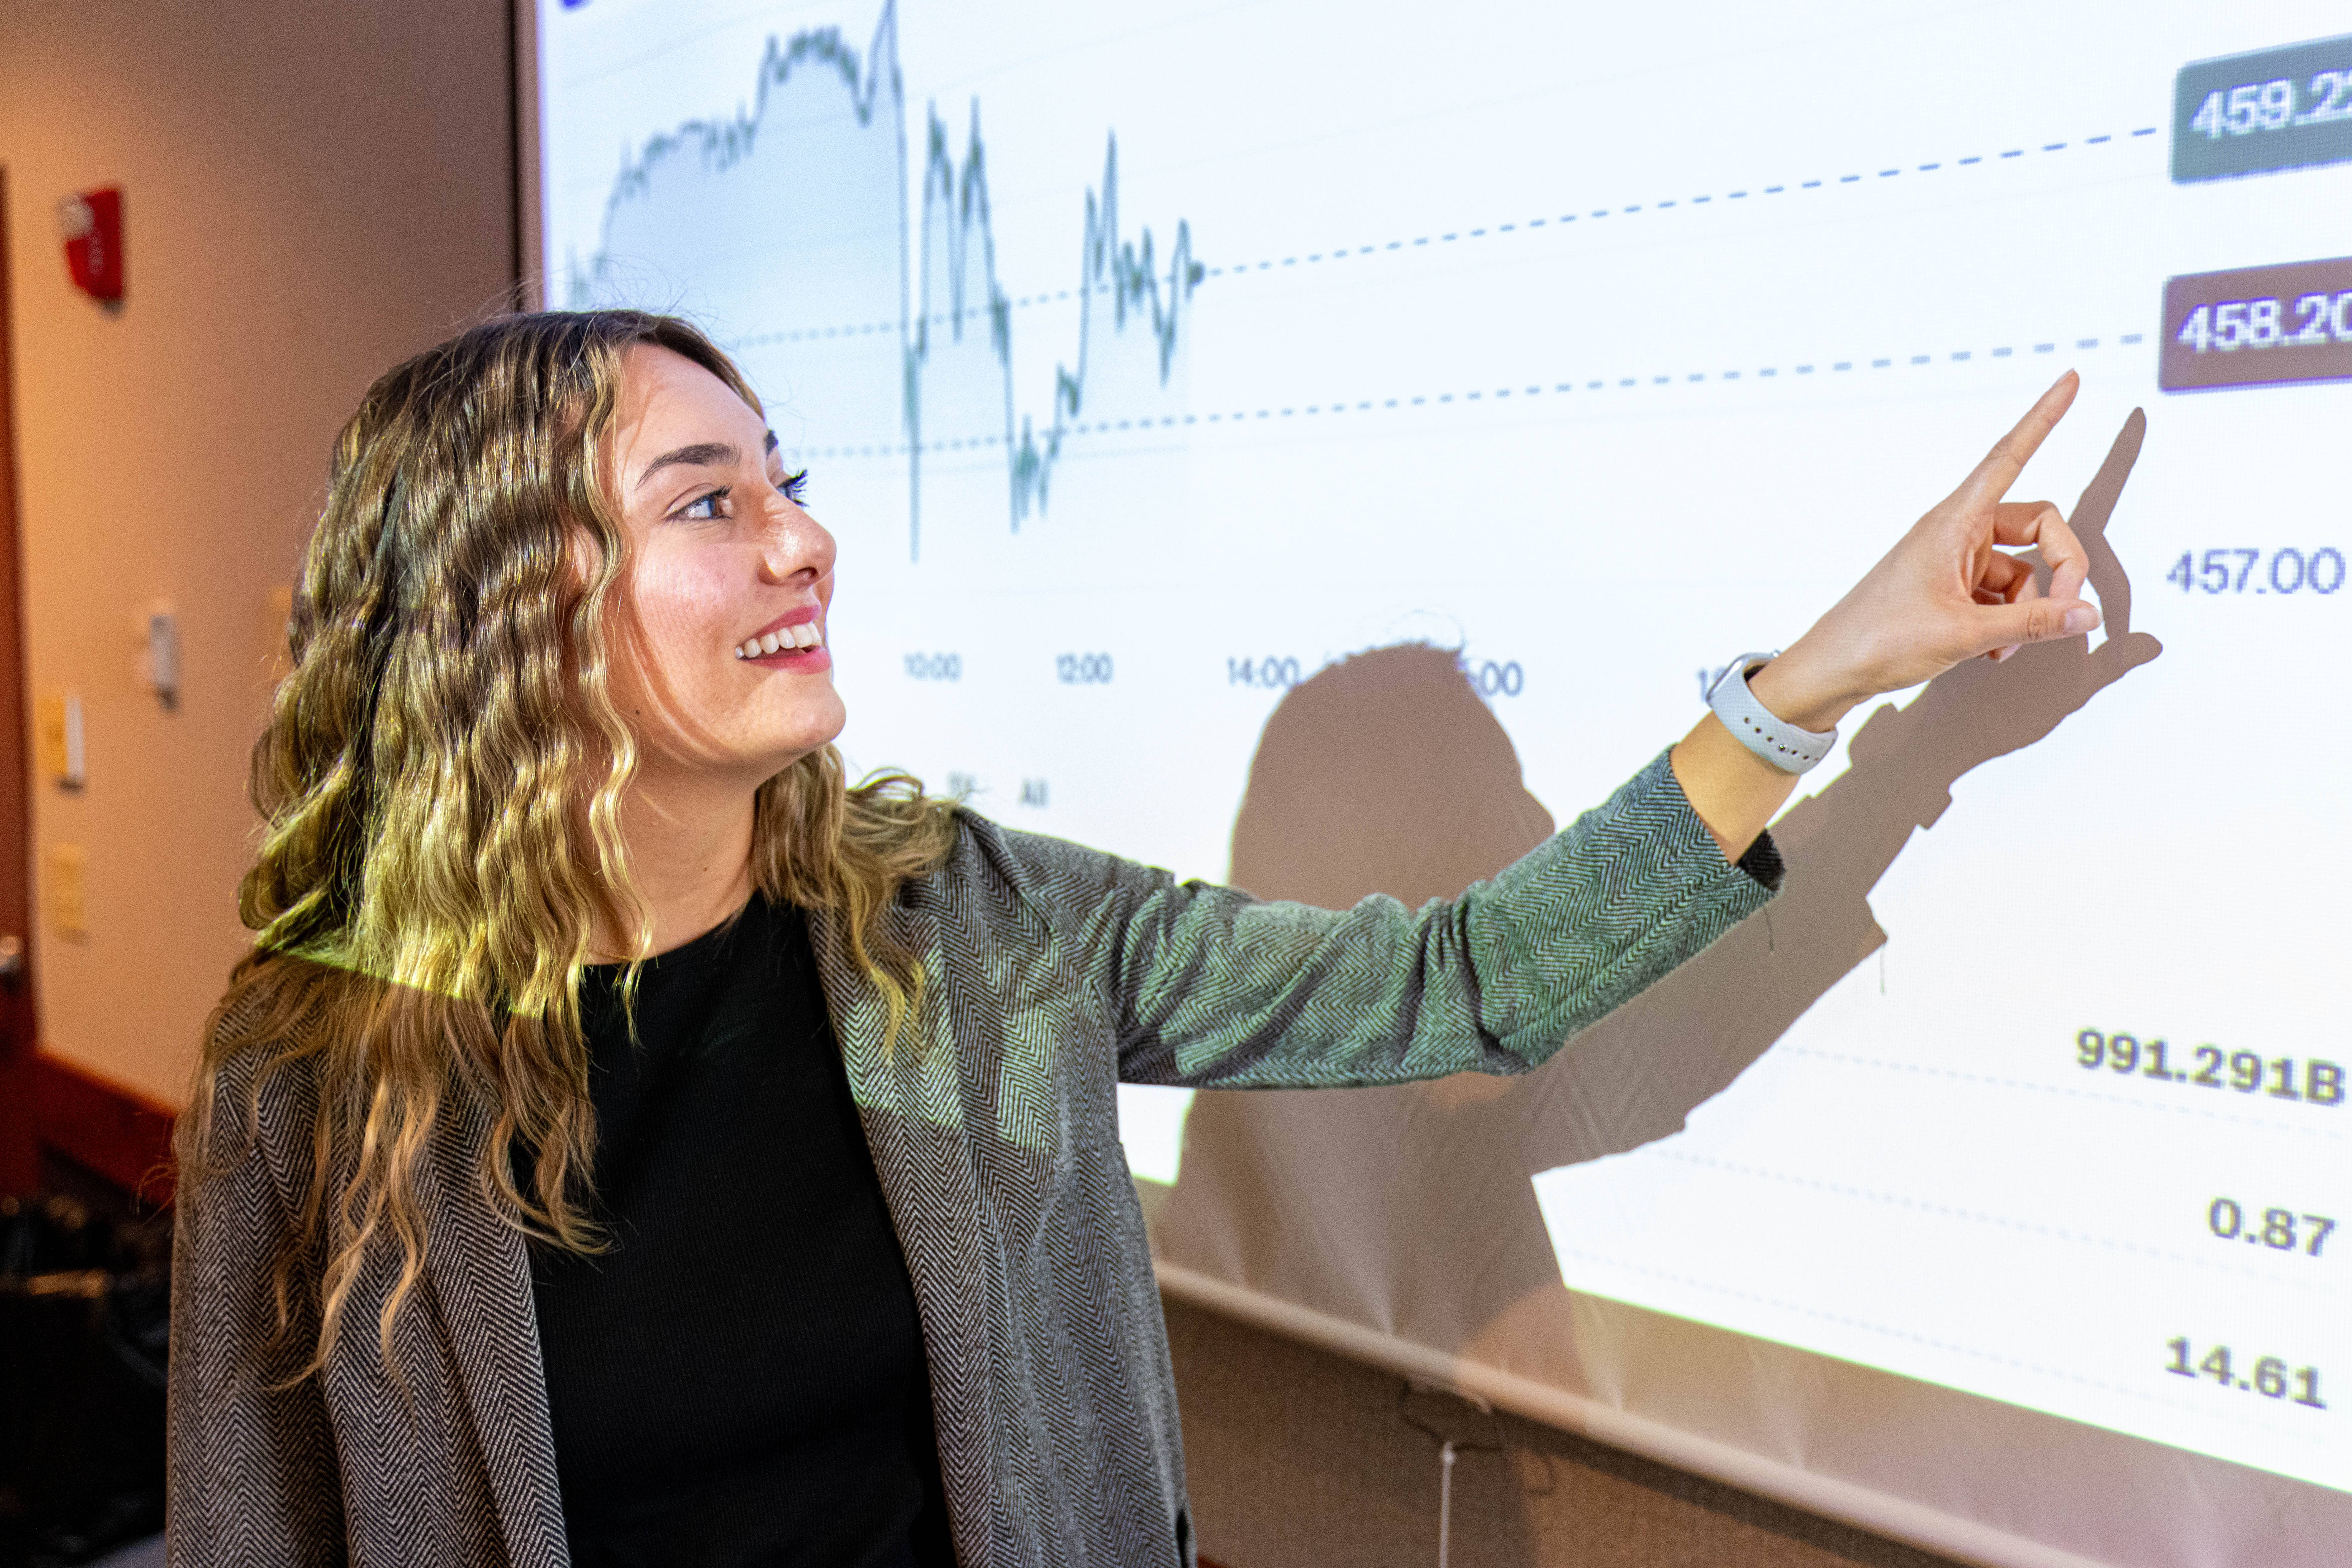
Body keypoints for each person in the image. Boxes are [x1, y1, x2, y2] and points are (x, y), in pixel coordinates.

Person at [166, 309, 2100, 1568]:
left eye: (791, 485)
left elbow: (1463, 984)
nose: (802, 542)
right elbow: (256, 1532)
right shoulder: (318, 1072)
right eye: (710, 502)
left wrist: (1838, 669)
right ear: (509, 605)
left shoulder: (976, 926)